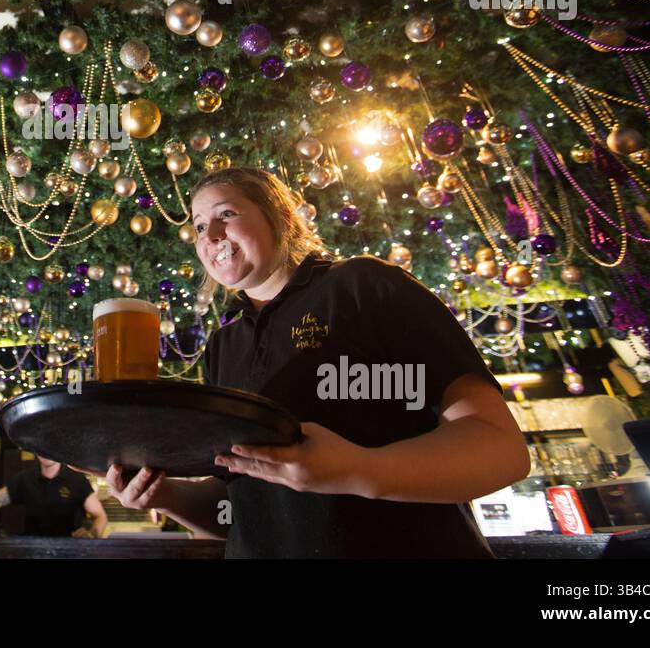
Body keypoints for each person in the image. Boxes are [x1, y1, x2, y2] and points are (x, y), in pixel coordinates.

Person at [103, 167, 530, 558]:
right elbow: (243, 509)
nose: (209, 234)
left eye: (226, 213)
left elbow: (499, 449)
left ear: (283, 218)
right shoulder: (223, 346)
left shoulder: (362, 287)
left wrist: (358, 469)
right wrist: (166, 496)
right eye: (198, 225)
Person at [0, 453, 109, 538]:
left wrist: (92, 535)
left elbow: (100, 516)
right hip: (33, 552)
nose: (45, 449)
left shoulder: (76, 479)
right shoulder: (25, 479)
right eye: (40, 443)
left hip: (71, 553)